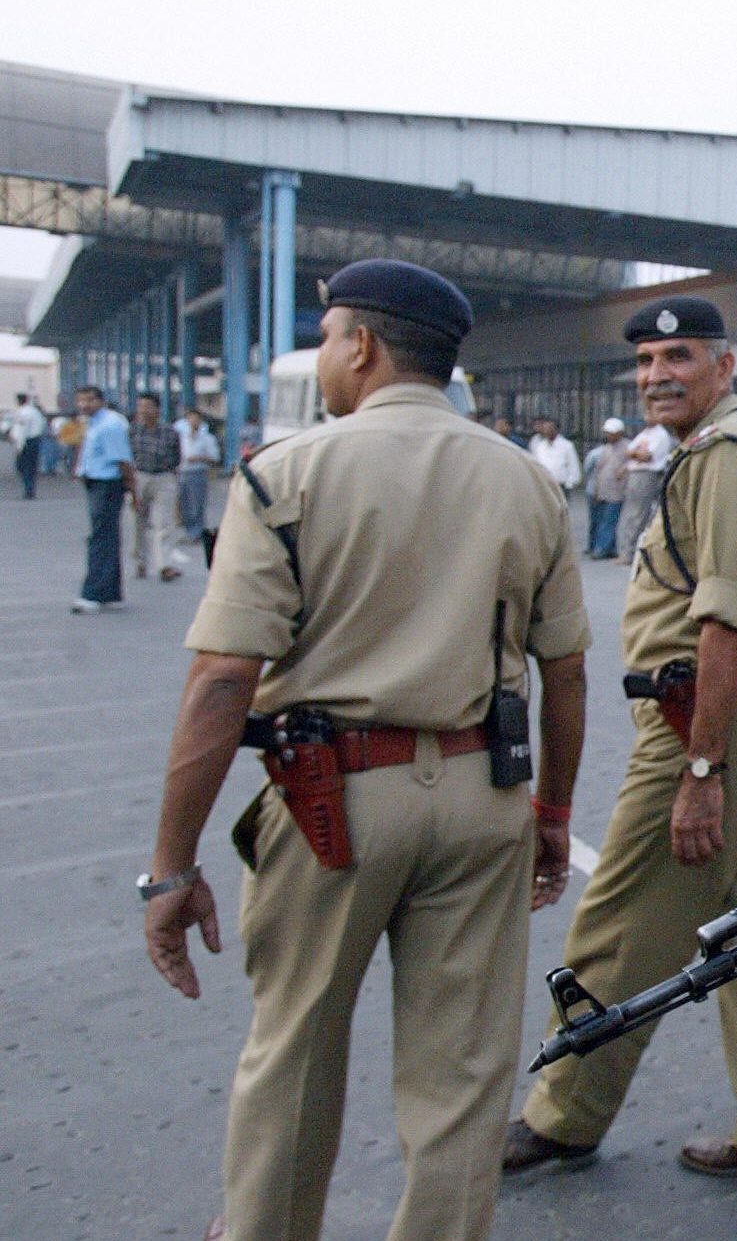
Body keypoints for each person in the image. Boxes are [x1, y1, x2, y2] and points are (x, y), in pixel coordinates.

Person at [138, 258, 591, 1241]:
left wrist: (170, 867)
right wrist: (551, 816)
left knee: (294, 1053)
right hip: (484, 795)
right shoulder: (524, 480)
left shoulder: (288, 472)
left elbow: (222, 680)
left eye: (331, 333)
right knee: (465, 1077)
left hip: (331, 802)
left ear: (361, 346)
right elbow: (566, 674)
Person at [507, 294, 737, 1184]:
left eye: (679, 358)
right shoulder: (722, 452)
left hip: (702, 720)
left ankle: (563, 1115)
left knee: (619, 926)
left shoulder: (722, 458)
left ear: (723, 367)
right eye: (646, 363)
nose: (657, 377)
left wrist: (698, 770)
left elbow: (722, 623)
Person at [71, 385, 134, 614]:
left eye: (89, 400)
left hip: (107, 484)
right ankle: (109, 591)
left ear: (101, 401)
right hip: (95, 481)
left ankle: (93, 594)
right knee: (105, 537)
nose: (84, 405)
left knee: (100, 538)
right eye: (81, 400)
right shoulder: (92, 423)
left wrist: (132, 488)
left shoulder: (110, 425)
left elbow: (123, 460)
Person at [128, 392, 184, 582]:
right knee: (138, 521)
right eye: (140, 406)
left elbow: (177, 457)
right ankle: (140, 562)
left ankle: (164, 565)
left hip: (164, 477)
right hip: (140, 476)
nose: (143, 410)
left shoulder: (170, 432)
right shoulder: (132, 431)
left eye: (147, 406)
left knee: (165, 523)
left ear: (158, 409)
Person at [618, 416, 674, 562]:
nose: (646, 417)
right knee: (630, 514)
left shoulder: (660, 435)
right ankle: (627, 551)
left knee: (638, 515)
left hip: (647, 474)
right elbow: (628, 451)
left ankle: (630, 553)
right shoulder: (645, 433)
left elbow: (647, 457)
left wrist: (635, 453)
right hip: (635, 473)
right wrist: (636, 454)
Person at [583, 417, 630, 559]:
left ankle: (601, 549)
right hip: (602, 489)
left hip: (617, 491)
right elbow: (596, 470)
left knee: (609, 521)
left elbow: (634, 464)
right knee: (600, 520)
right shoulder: (605, 449)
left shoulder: (628, 447)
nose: (609, 435)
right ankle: (608, 547)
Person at [175, 407, 221, 552]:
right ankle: (189, 531)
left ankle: (197, 532)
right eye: (190, 418)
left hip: (198, 472)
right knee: (184, 503)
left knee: (197, 503)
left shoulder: (207, 439)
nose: (193, 421)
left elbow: (215, 457)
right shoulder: (182, 437)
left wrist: (200, 458)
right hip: (183, 472)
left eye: (196, 418)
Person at [527, 416, 581, 499]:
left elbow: (573, 465)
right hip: (544, 484)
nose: (546, 431)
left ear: (556, 430)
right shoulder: (540, 446)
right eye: (545, 428)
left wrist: (569, 483)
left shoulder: (566, 445)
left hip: (560, 485)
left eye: (549, 428)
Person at [10, 392, 44, 498]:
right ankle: (30, 489)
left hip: (27, 441)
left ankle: (29, 490)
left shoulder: (23, 413)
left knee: (23, 467)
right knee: (31, 467)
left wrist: (19, 446)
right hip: (35, 440)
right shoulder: (34, 411)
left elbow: (22, 430)